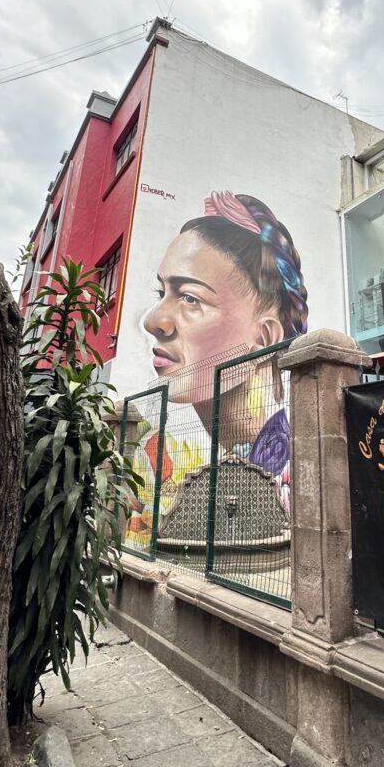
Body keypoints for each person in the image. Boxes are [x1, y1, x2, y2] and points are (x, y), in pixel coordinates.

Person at [125, 191, 308, 549]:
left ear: (264, 338)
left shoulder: (284, 468)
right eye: (162, 293)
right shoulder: (238, 461)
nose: (153, 321)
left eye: (190, 298)